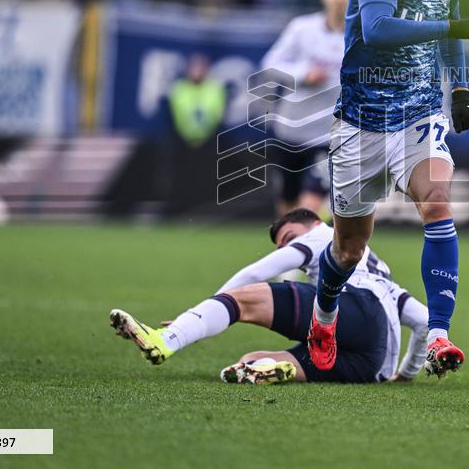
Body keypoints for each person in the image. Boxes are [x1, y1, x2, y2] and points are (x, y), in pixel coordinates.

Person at [306, 0, 469, 377]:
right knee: (349, 248)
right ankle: (323, 317)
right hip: (361, 121)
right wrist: (452, 28)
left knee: (436, 200)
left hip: (419, 114)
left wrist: (459, 92)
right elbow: (379, 29)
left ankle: (438, 335)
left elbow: (451, 33)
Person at [110, 208, 429, 384]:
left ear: (313, 224)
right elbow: (424, 322)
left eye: (289, 238)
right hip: (371, 365)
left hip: (348, 306)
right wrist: (405, 374)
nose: (288, 247)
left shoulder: (321, 235)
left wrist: (196, 315)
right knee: (248, 361)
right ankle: (271, 369)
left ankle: (166, 339)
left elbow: (254, 274)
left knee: (240, 301)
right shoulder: (381, 275)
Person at [259, 0, 354, 217]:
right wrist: (303, 74)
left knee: (307, 208)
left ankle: (307, 236)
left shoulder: (362, 38)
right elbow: (270, 64)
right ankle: (293, 243)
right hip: (290, 130)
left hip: (329, 136)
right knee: (287, 207)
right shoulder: (302, 29)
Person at [165, 53, 225, 215]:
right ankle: (178, 208)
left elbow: (217, 114)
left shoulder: (214, 88)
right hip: (182, 140)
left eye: (201, 68)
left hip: (208, 140)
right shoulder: (179, 88)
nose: (197, 72)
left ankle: (205, 208)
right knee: (181, 176)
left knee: (205, 176)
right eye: (194, 67)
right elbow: (173, 113)